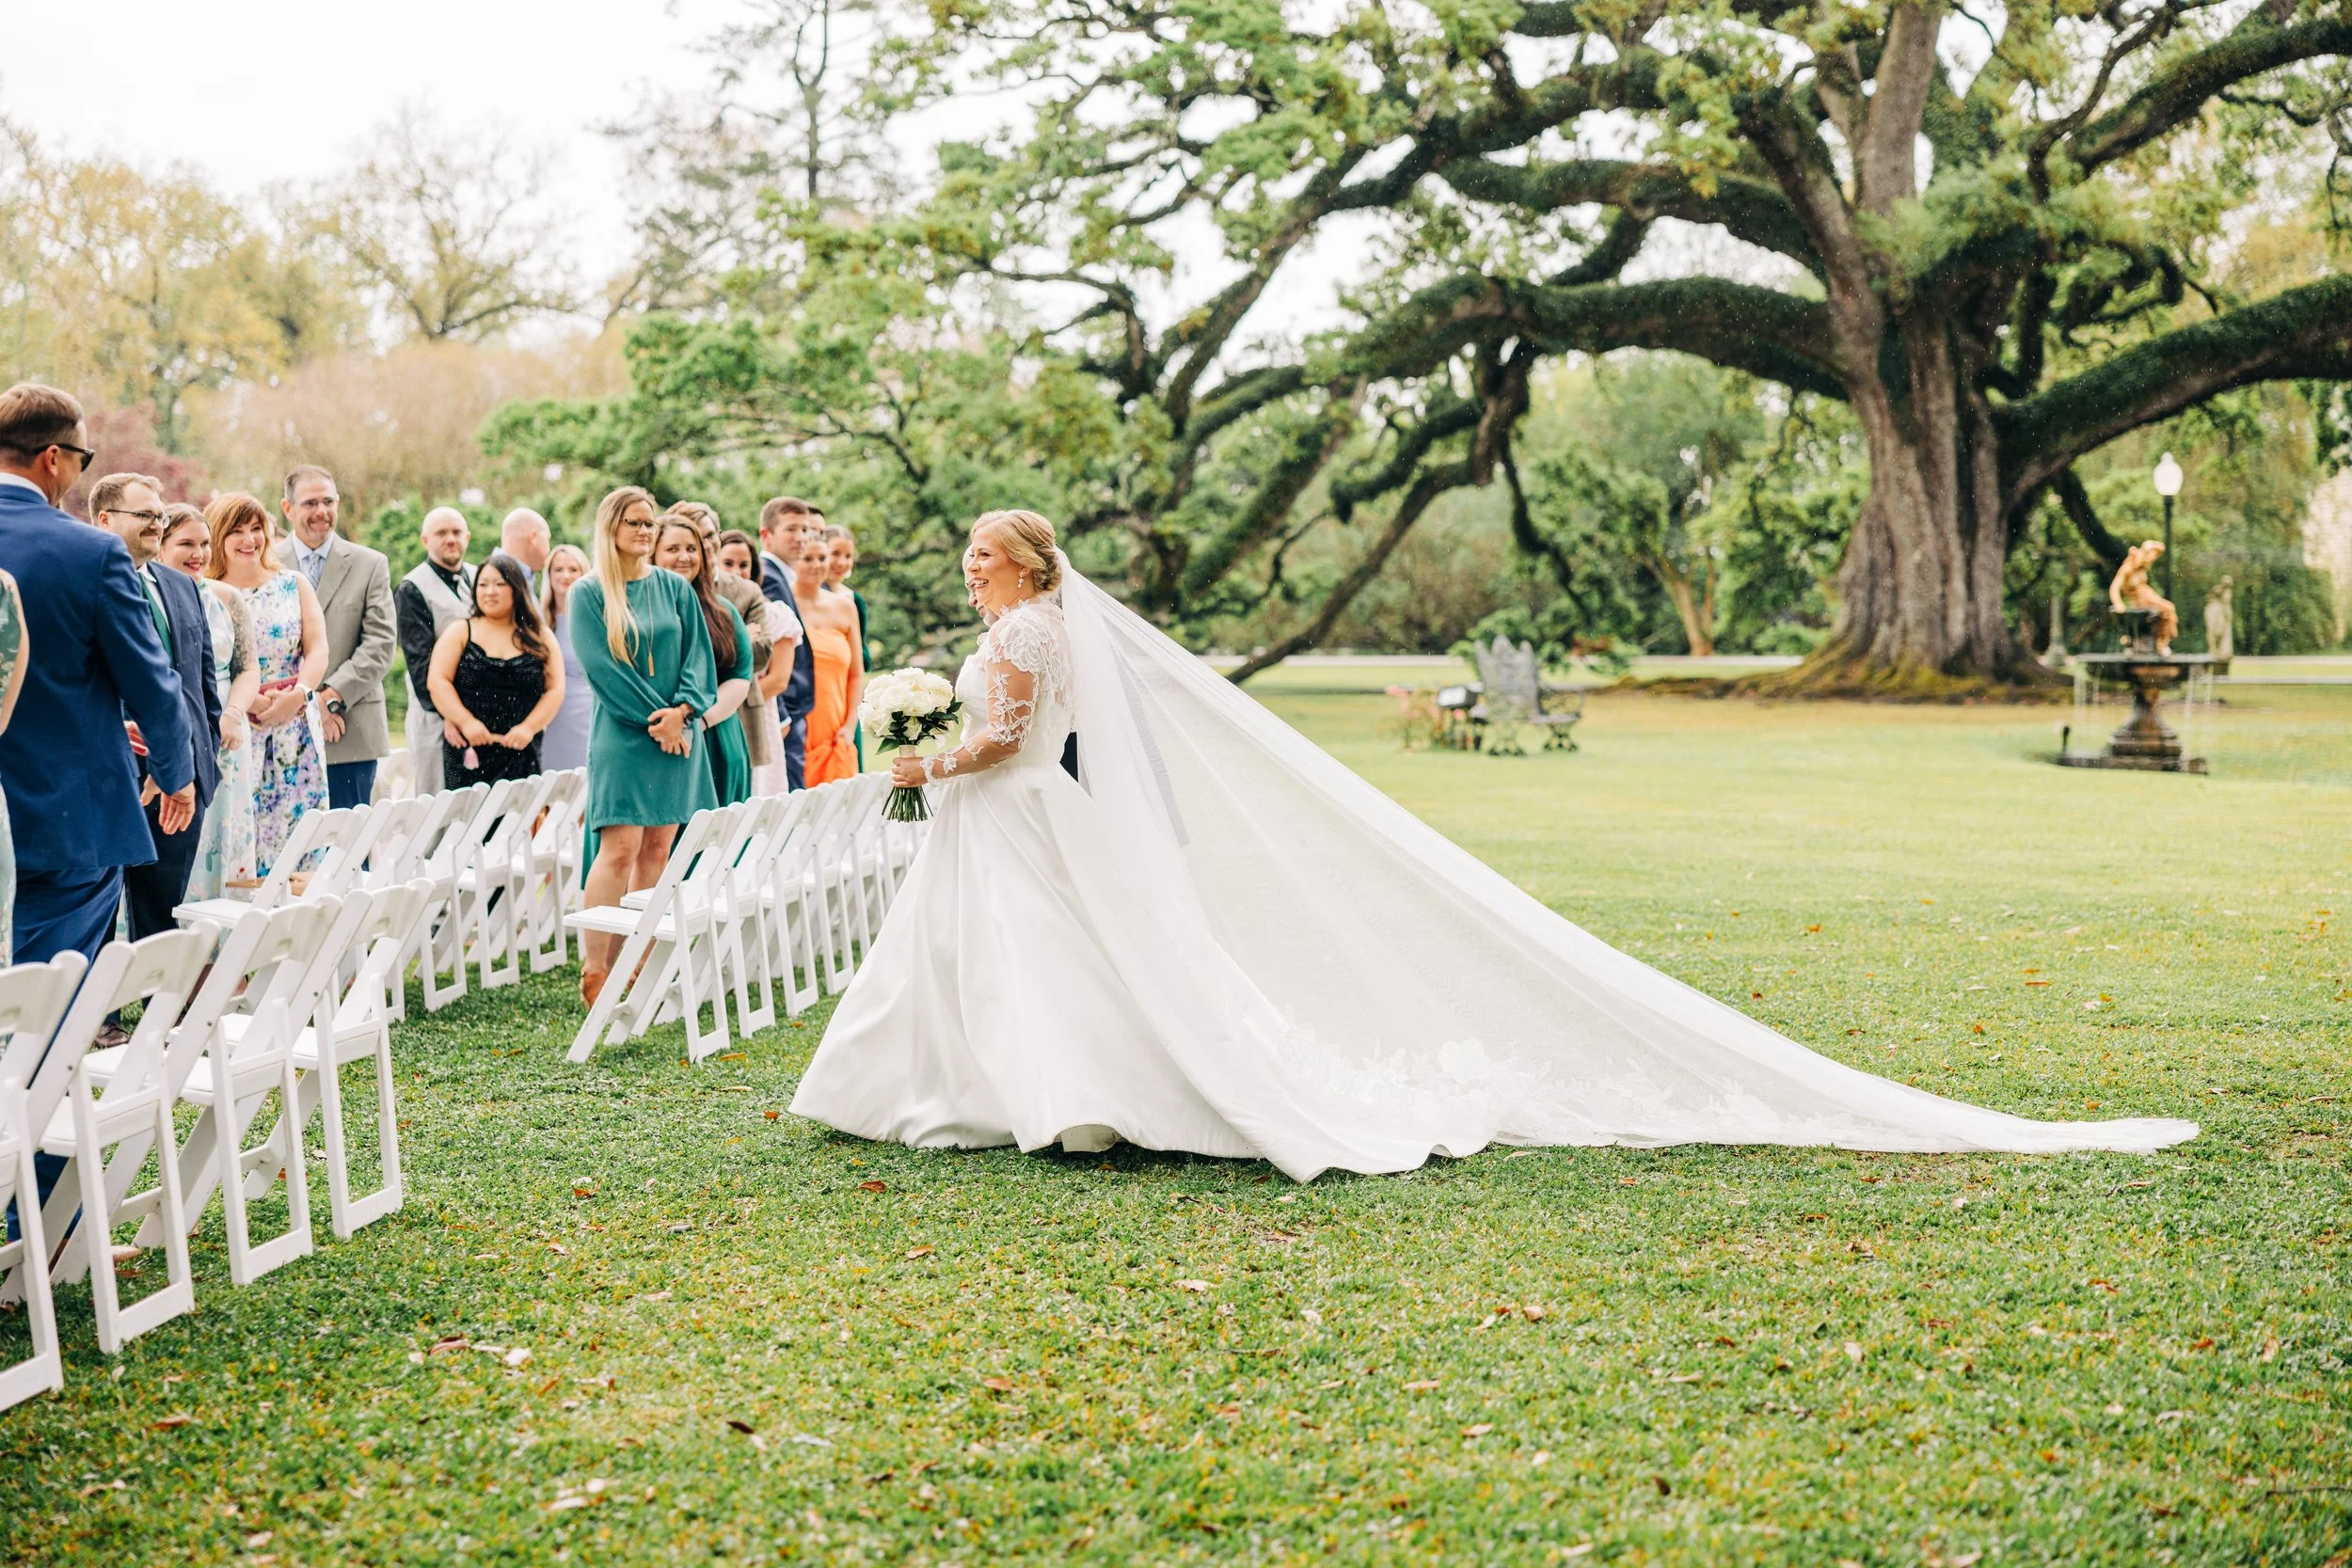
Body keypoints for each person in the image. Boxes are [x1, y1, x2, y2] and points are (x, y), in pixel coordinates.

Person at [789, 508, 2202, 1179]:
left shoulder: (1027, 636)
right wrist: (937, 745)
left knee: (1043, 956)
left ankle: (1054, 1095)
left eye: (986, 557)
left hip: (1011, 809)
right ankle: (1013, 1089)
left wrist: (919, 754)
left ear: (1033, 566)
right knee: (1026, 955)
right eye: (967, 559)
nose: (971, 570)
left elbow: (1004, 742)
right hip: (1022, 821)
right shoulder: (1030, 629)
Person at [0, 384, 192, 968]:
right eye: (83, 459)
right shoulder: (92, 553)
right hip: (65, 816)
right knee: (53, 990)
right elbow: (151, 682)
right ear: (53, 458)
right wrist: (176, 773)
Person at [570, 486, 717, 1006]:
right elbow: (602, 669)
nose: (644, 531)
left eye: (649, 522)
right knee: (619, 849)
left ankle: (637, 962)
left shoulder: (675, 589)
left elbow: (699, 656)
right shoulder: (588, 593)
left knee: (658, 850)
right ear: (611, 527)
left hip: (679, 734)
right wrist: (659, 720)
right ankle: (596, 967)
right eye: (633, 522)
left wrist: (683, 712)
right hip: (624, 736)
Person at [91, 473, 220, 942]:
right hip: (110, 777)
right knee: (98, 918)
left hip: (180, 782)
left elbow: (202, 683)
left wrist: (200, 757)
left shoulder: (181, 585)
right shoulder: (85, 584)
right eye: (144, 515)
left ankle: (159, 993)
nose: (156, 524)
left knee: (163, 916)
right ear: (105, 520)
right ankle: (98, 995)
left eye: (160, 515)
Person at [208, 492, 327, 877]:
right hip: (237, 726)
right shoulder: (208, 592)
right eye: (236, 531)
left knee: (300, 837)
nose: (249, 539)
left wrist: (298, 696)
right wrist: (249, 702)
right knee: (242, 837)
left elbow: (318, 648)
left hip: (295, 727)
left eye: (256, 528)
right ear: (218, 536)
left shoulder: (294, 583)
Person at [280, 466, 394, 809]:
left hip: (350, 732)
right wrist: (303, 701)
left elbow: (379, 645)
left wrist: (329, 698)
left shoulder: (370, 564)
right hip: (281, 732)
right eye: (310, 503)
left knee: (350, 837)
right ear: (287, 508)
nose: (321, 511)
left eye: (328, 502)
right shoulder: (265, 564)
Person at [160, 506, 258, 901]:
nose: (198, 553)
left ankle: (223, 933)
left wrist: (232, 714)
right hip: (174, 733)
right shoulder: (147, 597)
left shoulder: (226, 598)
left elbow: (247, 668)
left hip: (227, 737)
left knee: (222, 838)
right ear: (161, 546)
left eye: (204, 543)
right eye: (186, 543)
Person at [427, 552, 563, 788]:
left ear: (516, 589)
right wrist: (466, 722)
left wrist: (528, 728)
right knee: (468, 812)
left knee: (521, 810)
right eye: (483, 585)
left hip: (522, 748)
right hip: (468, 751)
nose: (490, 592)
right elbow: (438, 681)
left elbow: (555, 689)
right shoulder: (460, 631)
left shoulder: (539, 635)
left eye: (499, 584)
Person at [654, 518, 755, 804]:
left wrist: (697, 722)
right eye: (672, 549)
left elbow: (740, 676)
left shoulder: (723, 612)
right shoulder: (635, 611)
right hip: (659, 737)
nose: (684, 557)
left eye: (691, 548)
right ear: (653, 554)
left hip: (716, 735)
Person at [394, 508, 477, 796]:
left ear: (467, 537)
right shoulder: (412, 587)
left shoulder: (481, 578)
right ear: (425, 540)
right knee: (436, 799)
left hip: (479, 713)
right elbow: (420, 663)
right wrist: (451, 714)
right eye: (441, 533)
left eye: (456, 532)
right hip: (435, 716)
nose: (450, 539)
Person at [717, 529, 794, 793]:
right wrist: (740, 637)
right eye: (728, 563)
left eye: (744, 565)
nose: (737, 571)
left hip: (758, 712)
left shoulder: (773, 613)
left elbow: (779, 678)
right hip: (715, 712)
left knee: (761, 791)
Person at [794, 515, 865, 785]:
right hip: (797, 733)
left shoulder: (845, 607)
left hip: (837, 734)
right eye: (807, 559)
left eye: (822, 558)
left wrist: (849, 726)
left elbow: (856, 674)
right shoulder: (781, 605)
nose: (816, 565)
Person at [755, 497, 817, 787]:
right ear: (766, 534)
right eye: (791, 529)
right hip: (783, 715)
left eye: (805, 530)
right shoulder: (768, 577)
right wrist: (782, 717)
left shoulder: (780, 576)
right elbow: (769, 655)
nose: (801, 537)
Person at [539, 544, 595, 772]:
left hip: (586, 711)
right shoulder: (538, 618)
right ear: (549, 575)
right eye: (559, 569)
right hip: (550, 716)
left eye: (573, 569)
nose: (566, 576)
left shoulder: (595, 618)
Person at [821, 524, 871, 768]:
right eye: (835, 554)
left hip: (847, 697)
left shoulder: (853, 600)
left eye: (848, 556)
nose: (842, 562)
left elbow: (862, 658)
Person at [500, 508, 552, 587]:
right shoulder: (499, 578)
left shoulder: (518, 576)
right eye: (547, 539)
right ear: (533, 538)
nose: (549, 549)